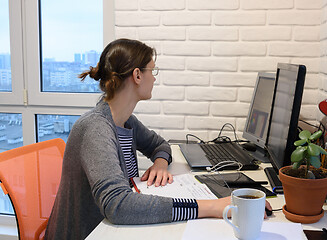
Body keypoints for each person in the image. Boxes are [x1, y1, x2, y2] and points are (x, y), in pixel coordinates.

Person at [45, 38, 271, 240]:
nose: (153, 79)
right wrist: (212, 207)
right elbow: (118, 205)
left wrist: (161, 163)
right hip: (90, 233)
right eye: (152, 71)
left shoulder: (125, 121)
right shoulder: (95, 128)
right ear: (137, 75)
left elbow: (160, 145)